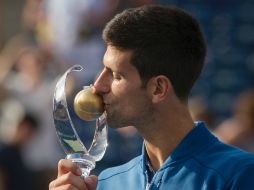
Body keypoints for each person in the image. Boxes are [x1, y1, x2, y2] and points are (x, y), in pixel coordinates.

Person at [49, 5, 254, 190]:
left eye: (116, 75)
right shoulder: (106, 183)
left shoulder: (239, 175)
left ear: (158, 88)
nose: (97, 86)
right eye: (103, 69)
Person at [0, 112, 39, 190]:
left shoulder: (19, 154)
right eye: (26, 130)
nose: (27, 136)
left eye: (30, 133)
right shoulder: (4, 153)